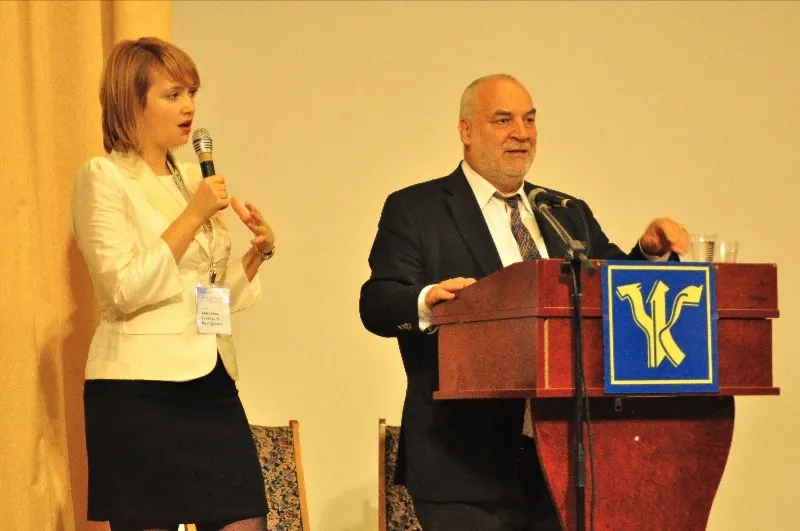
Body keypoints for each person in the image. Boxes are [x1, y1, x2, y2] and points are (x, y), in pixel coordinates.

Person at [359, 74, 689, 531]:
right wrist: (427, 302)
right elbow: (377, 301)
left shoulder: (565, 211)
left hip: (566, 460)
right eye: (503, 120)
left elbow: (612, 292)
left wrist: (648, 255)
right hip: (461, 463)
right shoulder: (417, 209)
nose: (521, 133)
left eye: (529, 120)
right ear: (466, 130)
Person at [71, 37, 275, 531]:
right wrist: (193, 215)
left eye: (192, 93)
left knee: (246, 517)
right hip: (139, 390)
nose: (189, 107)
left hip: (210, 382)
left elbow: (203, 291)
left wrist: (257, 254)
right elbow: (123, 291)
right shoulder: (103, 176)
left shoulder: (188, 178)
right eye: (173, 95)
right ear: (131, 102)